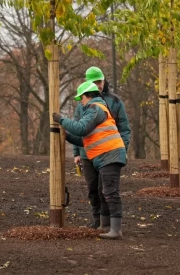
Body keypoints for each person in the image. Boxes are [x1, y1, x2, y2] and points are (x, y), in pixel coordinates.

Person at [53, 81, 126, 240]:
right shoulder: (95, 110)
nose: (81, 102)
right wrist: (67, 136)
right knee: (103, 191)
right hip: (106, 156)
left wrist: (62, 120)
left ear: (89, 95)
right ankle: (105, 225)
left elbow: (81, 128)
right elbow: (85, 139)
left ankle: (116, 229)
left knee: (110, 192)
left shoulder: (95, 108)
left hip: (110, 155)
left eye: (82, 98)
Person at [72, 67, 131, 231]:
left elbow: (124, 128)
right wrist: (77, 153)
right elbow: (78, 127)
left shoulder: (115, 101)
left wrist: (120, 149)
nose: (98, 85)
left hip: (107, 153)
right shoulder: (82, 103)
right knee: (92, 188)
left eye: (100, 81)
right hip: (87, 153)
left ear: (104, 81)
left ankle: (107, 224)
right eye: (94, 82)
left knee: (106, 189)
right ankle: (97, 220)